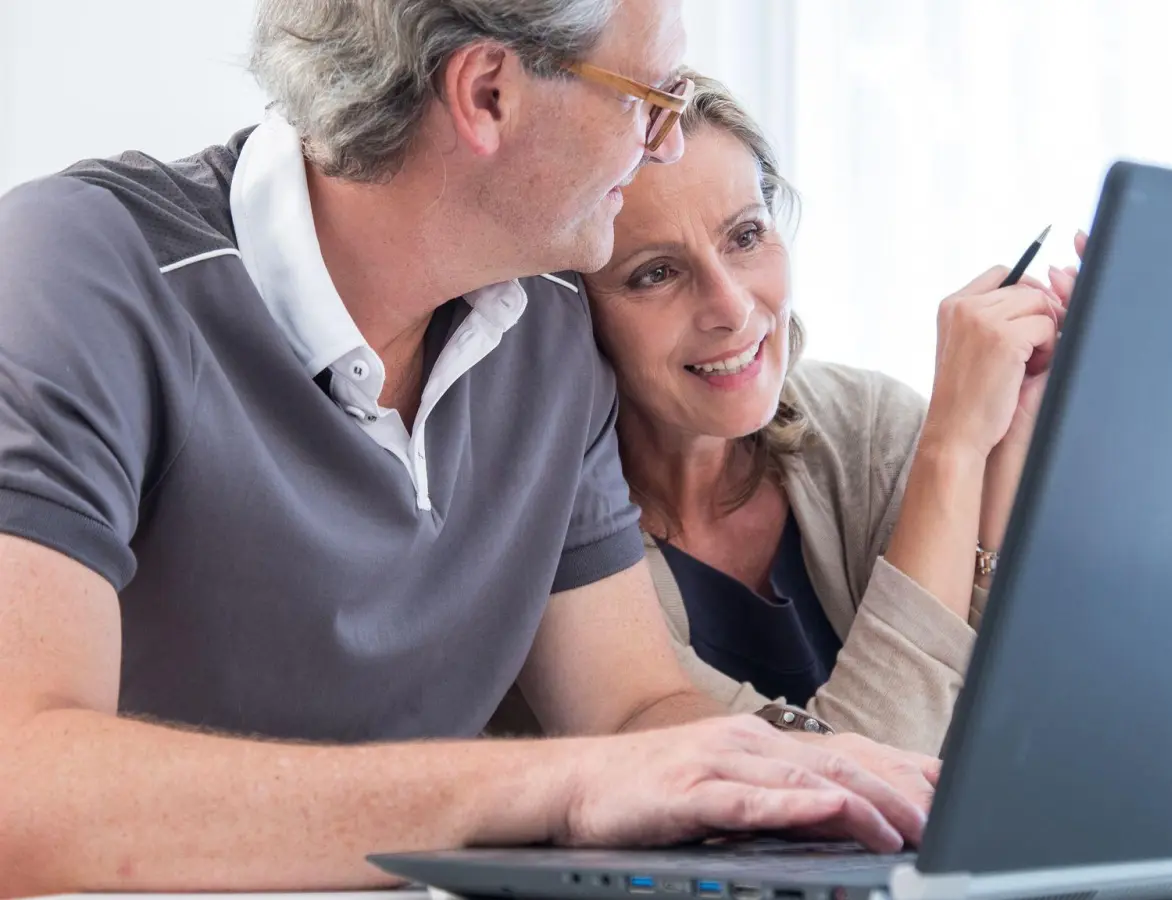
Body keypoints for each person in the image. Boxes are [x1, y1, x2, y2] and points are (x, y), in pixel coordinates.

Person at [0, 3, 937, 895]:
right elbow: (20, 787)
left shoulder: (551, 330)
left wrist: (811, 773)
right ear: (488, 92)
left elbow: (630, 712)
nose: (669, 141)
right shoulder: (81, 274)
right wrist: (553, 788)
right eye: (650, 101)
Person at [572, 72, 1083, 756]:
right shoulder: (570, 551)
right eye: (655, 273)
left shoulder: (863, 426)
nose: (731, 307)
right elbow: (841, 791)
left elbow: (1019, 738)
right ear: (573, 312)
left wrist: (1008, 441)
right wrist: (953, 451)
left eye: (746, 236)